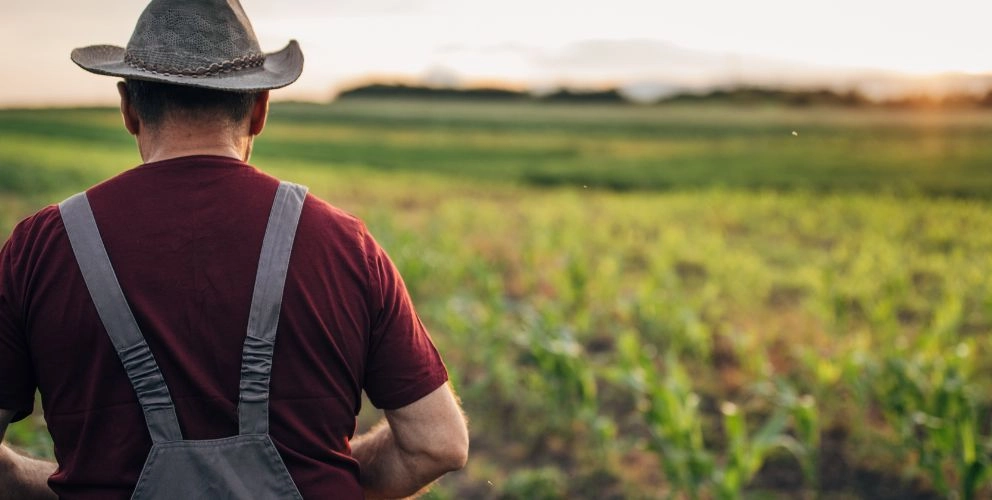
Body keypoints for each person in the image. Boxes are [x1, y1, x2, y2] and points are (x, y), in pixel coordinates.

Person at [0, 0, 468, 498]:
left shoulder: (40, 248)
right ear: (261, 109)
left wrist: (63, 487)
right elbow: (435, 444)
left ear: (128, 108)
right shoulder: (345, 246)